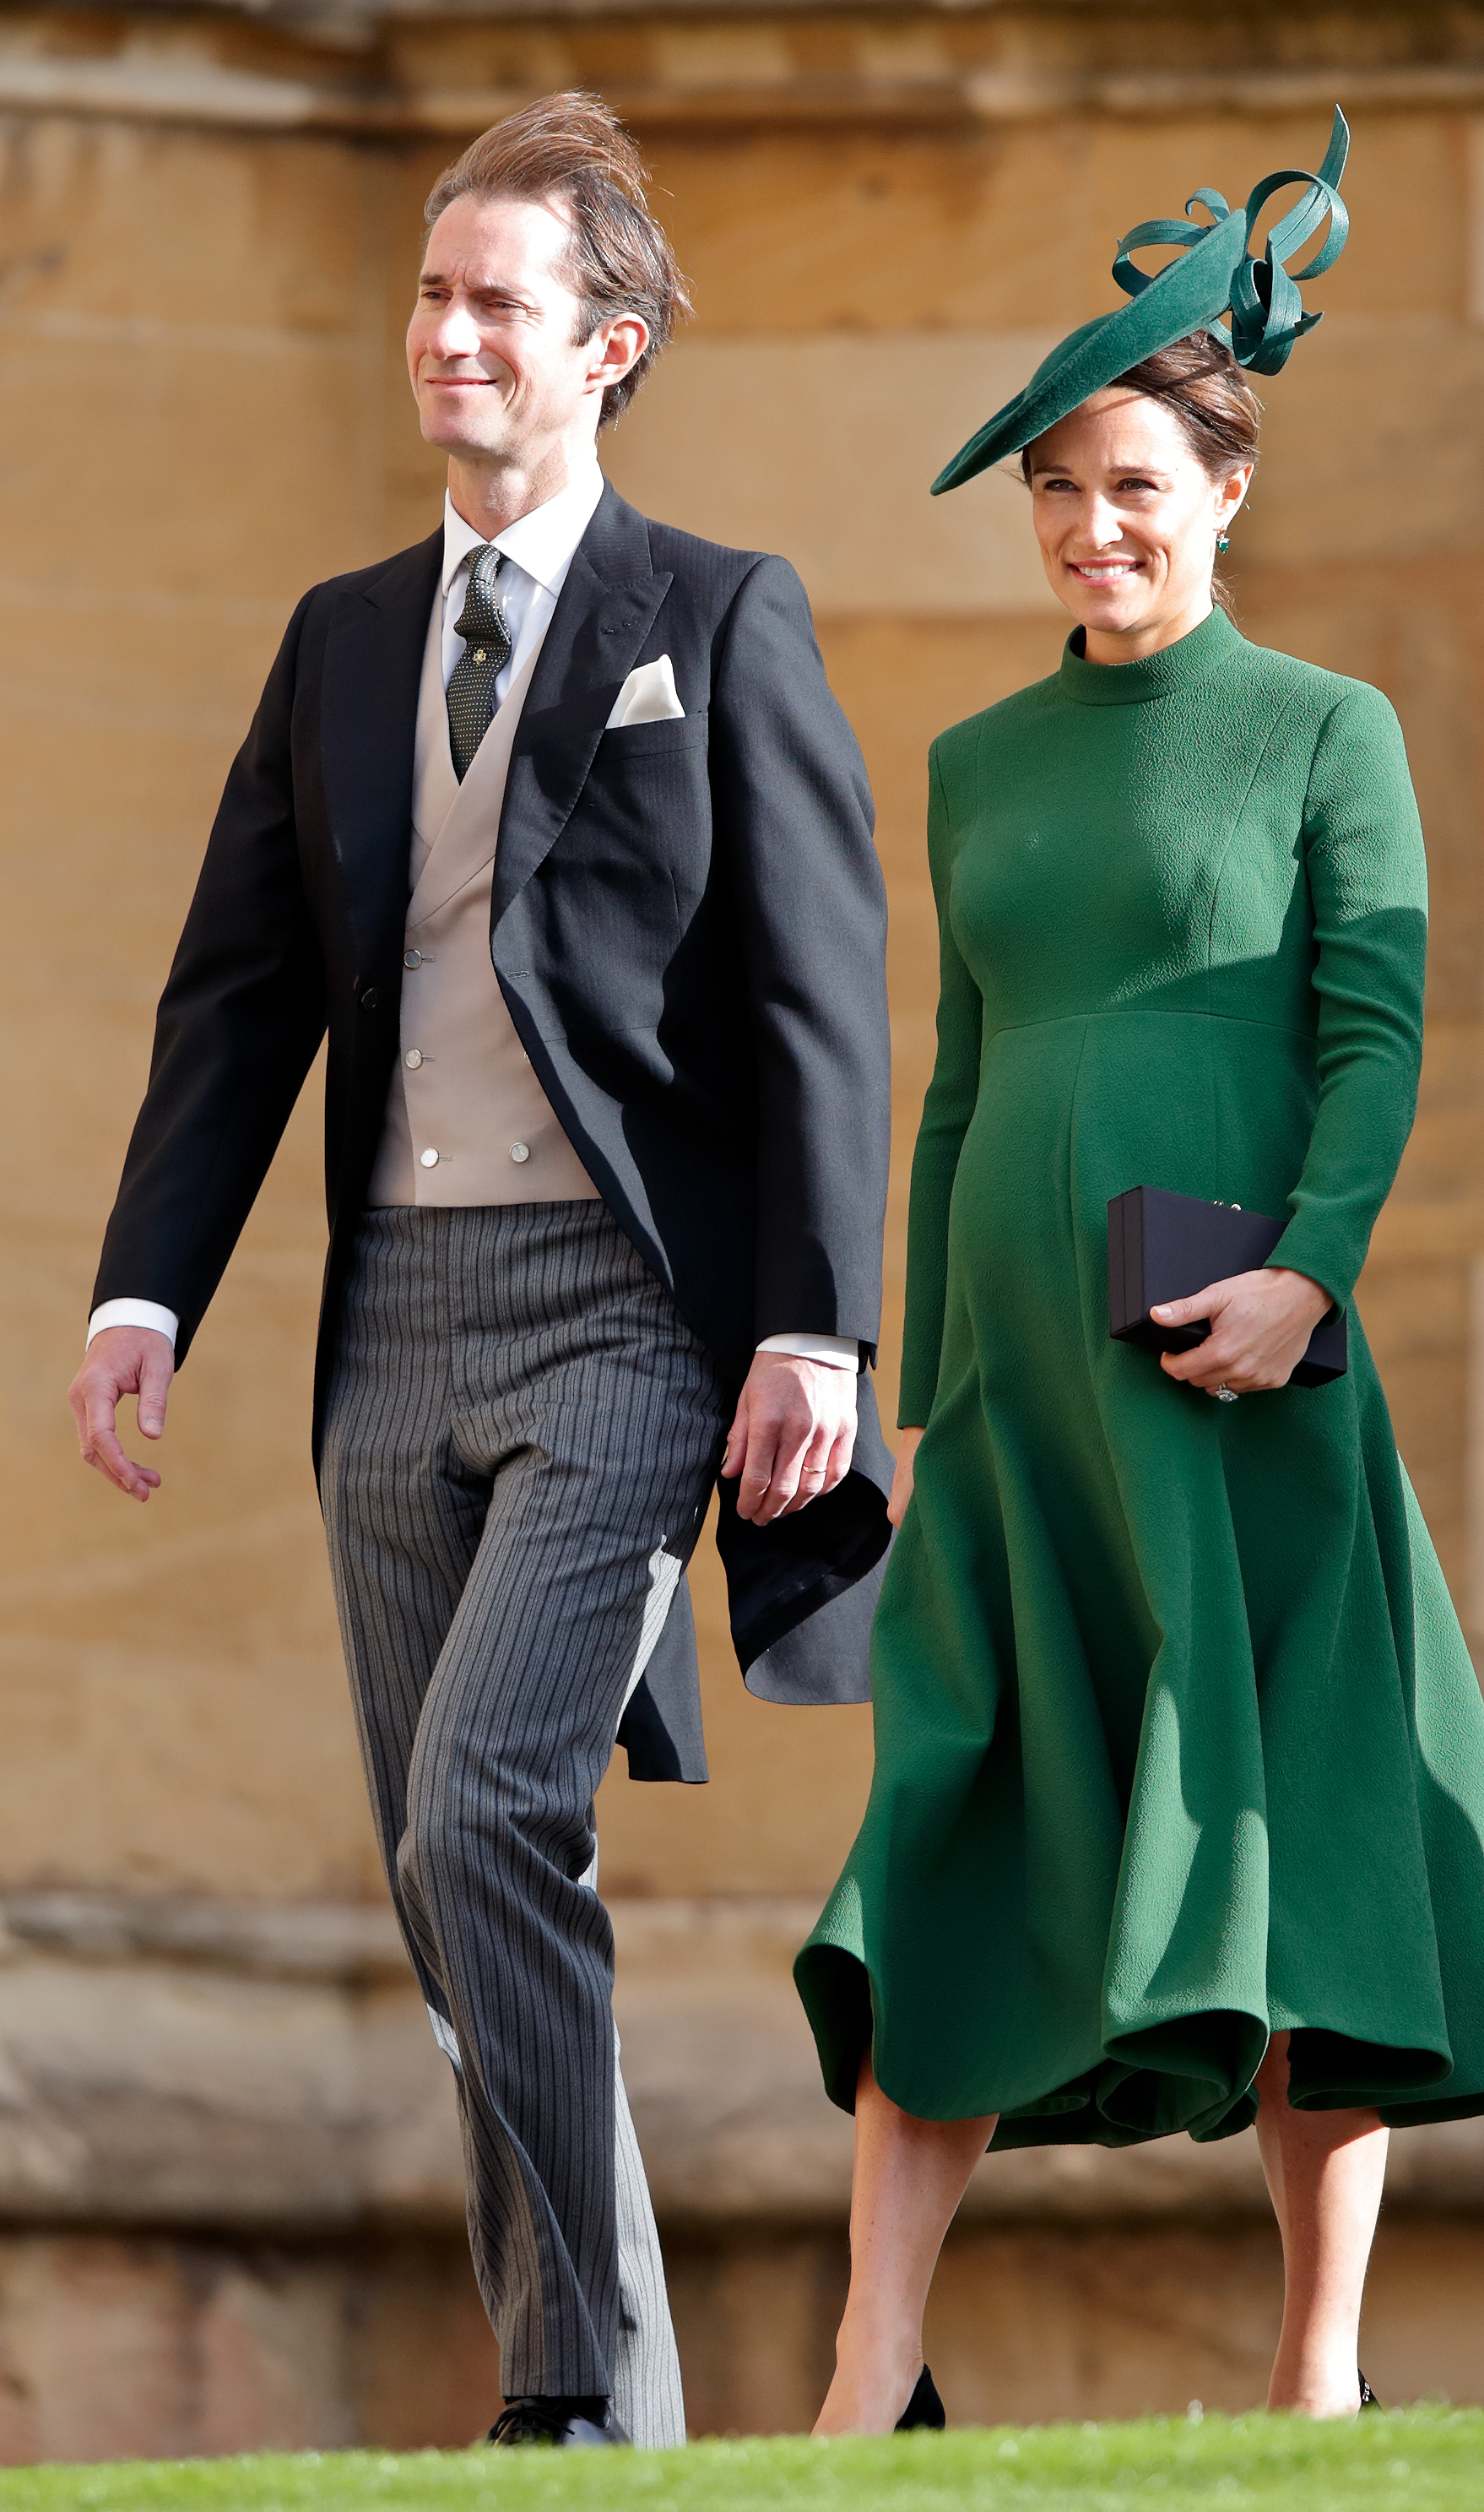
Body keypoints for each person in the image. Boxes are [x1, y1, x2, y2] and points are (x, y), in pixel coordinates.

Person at [68, 93, 892, 2450]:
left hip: (625, 1315)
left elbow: (816, 992)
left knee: (482, 1813)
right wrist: (147, 1295)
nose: (441, 335)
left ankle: (586, 2378)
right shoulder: (336, 644)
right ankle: (588, 2389)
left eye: (492, 303)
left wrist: (813, 1316)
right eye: (427, 295)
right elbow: (232, 999)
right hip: (386, 1320)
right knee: (448, 1901)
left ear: (607, 346)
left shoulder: (711, 615)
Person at [794, 111, 1484, 2433]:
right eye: (1059, 488)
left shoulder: (1327, 729)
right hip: (1024, 1410)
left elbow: (1375, 1035)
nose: (1093, 524)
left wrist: (1308, 1286)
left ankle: (1318, 2370)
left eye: (1134, 481)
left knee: (1289, 1836)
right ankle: (869, 2368)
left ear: (1225, 492)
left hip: (1238, 1377)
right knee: (946, 1811)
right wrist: (931, 1375)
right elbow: (954, 1082)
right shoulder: (971, 760)